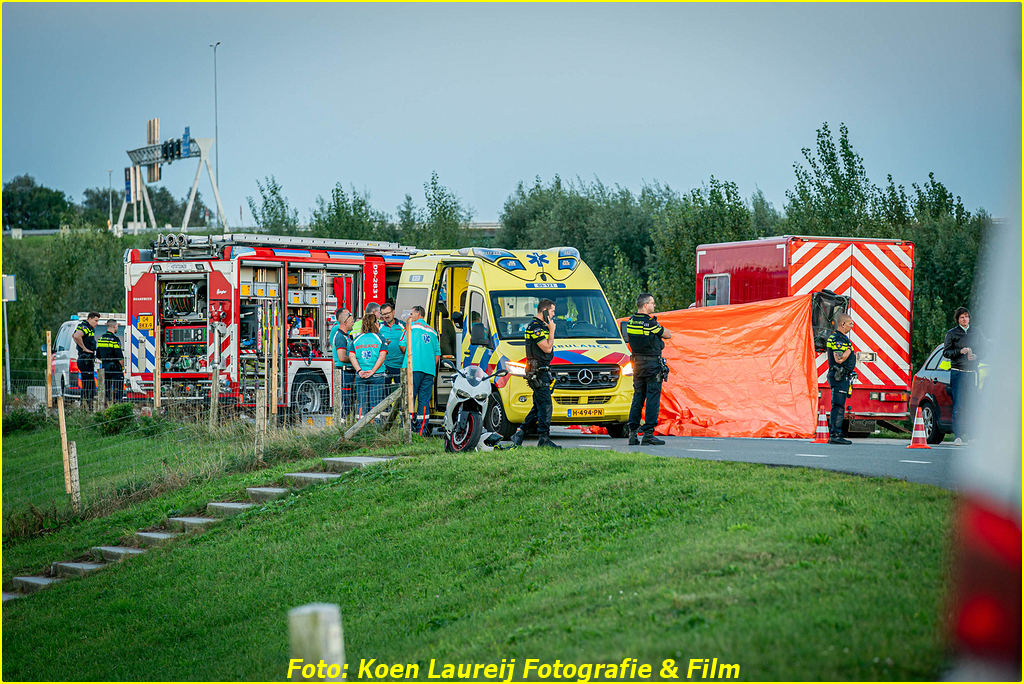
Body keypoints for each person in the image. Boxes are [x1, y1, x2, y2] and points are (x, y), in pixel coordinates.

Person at [510, 298, 560, 449]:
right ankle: (543, 439)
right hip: (537, 372)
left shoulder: (540, 326)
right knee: (545, 405)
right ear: (544, 311)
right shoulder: (535, 327)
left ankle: (520, 432)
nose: (553, 315)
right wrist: (552, 331)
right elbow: (547, 348)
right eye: (552, 311)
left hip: (541, 370)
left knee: (539, 406)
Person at [625, 294, 672, 446]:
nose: (654, 306)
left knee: (638, 397)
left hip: (637, 364)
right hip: (651, 365)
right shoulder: (650, 324)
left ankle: (632, 434)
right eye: (652, 303)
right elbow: (668, 334)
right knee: (652, 398)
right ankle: (648, 434)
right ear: (645, 305)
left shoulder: (631, 322)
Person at [943, 306, 982, 446]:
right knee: (958, 406)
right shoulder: (952, 333)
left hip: (972, 373)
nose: (965, 319)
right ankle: (958, 437)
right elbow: (946, 352)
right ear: (958, 319)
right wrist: (960, 351)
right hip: (958, 372)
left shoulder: (977, 332)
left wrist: (977, 356)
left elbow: (984, 350)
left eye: (966, 316)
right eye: (962, 317)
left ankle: (972, 437)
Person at [403, 306, 441, 436]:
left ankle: (408, 431)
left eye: (411, 313)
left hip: (412, 368)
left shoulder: (410, 326)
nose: (410, 315)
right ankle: (421, 432)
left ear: (418, 313)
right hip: (429, 370)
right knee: (424, 402)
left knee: (410, 399)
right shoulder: (433, 331)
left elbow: (403, 346)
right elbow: (437, 354)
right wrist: (430, 365)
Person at [348, 312, 388, 418]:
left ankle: (359, 429)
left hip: (361, 375)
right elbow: (382, 356)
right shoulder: (380, 338)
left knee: (361, 404)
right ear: (375, 324)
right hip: (377, 375)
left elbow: (352, 356)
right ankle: (374, 428)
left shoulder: (356, 339)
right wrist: (373, 371)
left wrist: (359, 370)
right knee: (376, 404)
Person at [826, 313, 857, 445]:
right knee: (838, 406)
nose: (852, 326)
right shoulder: (838, 339)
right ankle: (835, 434)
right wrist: (849, 350)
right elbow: (839, 359)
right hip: (839, 376)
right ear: (842, 324)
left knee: (839, 405)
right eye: (850, 323)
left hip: (842, 376)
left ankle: (836, 432)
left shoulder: (841, 338)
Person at [329, 308, 356, 419]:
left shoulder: (345, 335)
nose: (353, 324)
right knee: (345, 400)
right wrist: (355, 359)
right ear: (345, 323)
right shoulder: (340, 337)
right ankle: (342, 423)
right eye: (351, 322)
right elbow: (342, 357)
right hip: (345, 373)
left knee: (349, 400)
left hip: (347, 372)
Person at [72, 312, 100, 405]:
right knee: (87, 386)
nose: (97, 323)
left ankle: (88, 405)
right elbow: (76, 335)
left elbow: (74, 335)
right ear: (90, 319)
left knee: (90, 385)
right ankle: (86, 406)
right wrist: (84, 348)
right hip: (85, 359)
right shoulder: (85, 327)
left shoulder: (90, 329)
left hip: (88, 360)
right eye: (95, 320)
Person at [95, 319, 124, 403]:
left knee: (106, 389)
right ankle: (116, 404)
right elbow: (120, 357)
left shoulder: (101, 339)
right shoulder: (115, 339)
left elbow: (98, 356)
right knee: (117, 390)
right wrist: (121, 368)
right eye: (117, 326)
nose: (117, 328)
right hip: (115, 368)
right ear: (114, 326)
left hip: (105, 368)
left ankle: (106, 405)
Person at [378, 303, 407, 391]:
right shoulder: (379, 327)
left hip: (401, 364)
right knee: (384, 392)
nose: (386, 316)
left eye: (388, 313)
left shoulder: (403, 325)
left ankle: (401, 405)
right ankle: (387, 405)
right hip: (385, 364)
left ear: (393, 312)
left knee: (402, 391)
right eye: (384, 314)